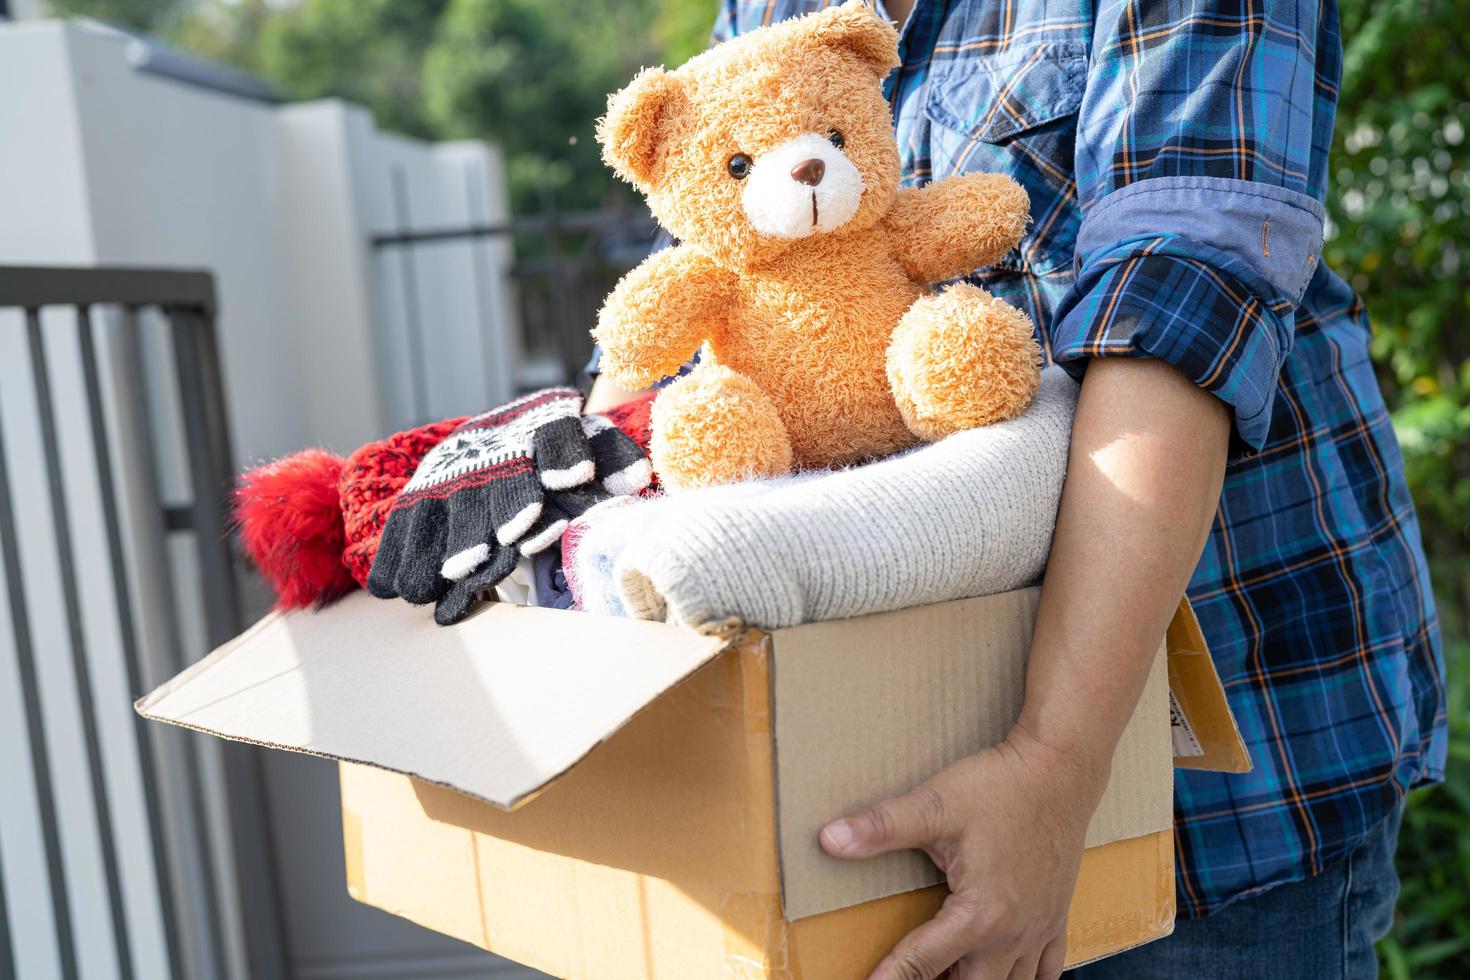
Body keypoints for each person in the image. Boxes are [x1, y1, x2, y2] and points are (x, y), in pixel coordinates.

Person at [584, 1, 1445, 977]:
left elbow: (1179, 294)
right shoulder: (772, 11)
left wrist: (1053, 762)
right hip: (884, 778)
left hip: (1215, 783)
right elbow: (704, 257)